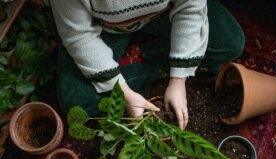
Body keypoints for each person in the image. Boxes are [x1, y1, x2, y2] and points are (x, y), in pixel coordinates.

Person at [50, 0, 244, 130]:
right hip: (105, 27)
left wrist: (179, 79)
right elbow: (78, 36)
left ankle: (136, 58)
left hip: (162, 14)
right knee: (75, 100)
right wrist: (124, 93)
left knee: (230, 42)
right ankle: (136, 62)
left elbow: (190, 7)